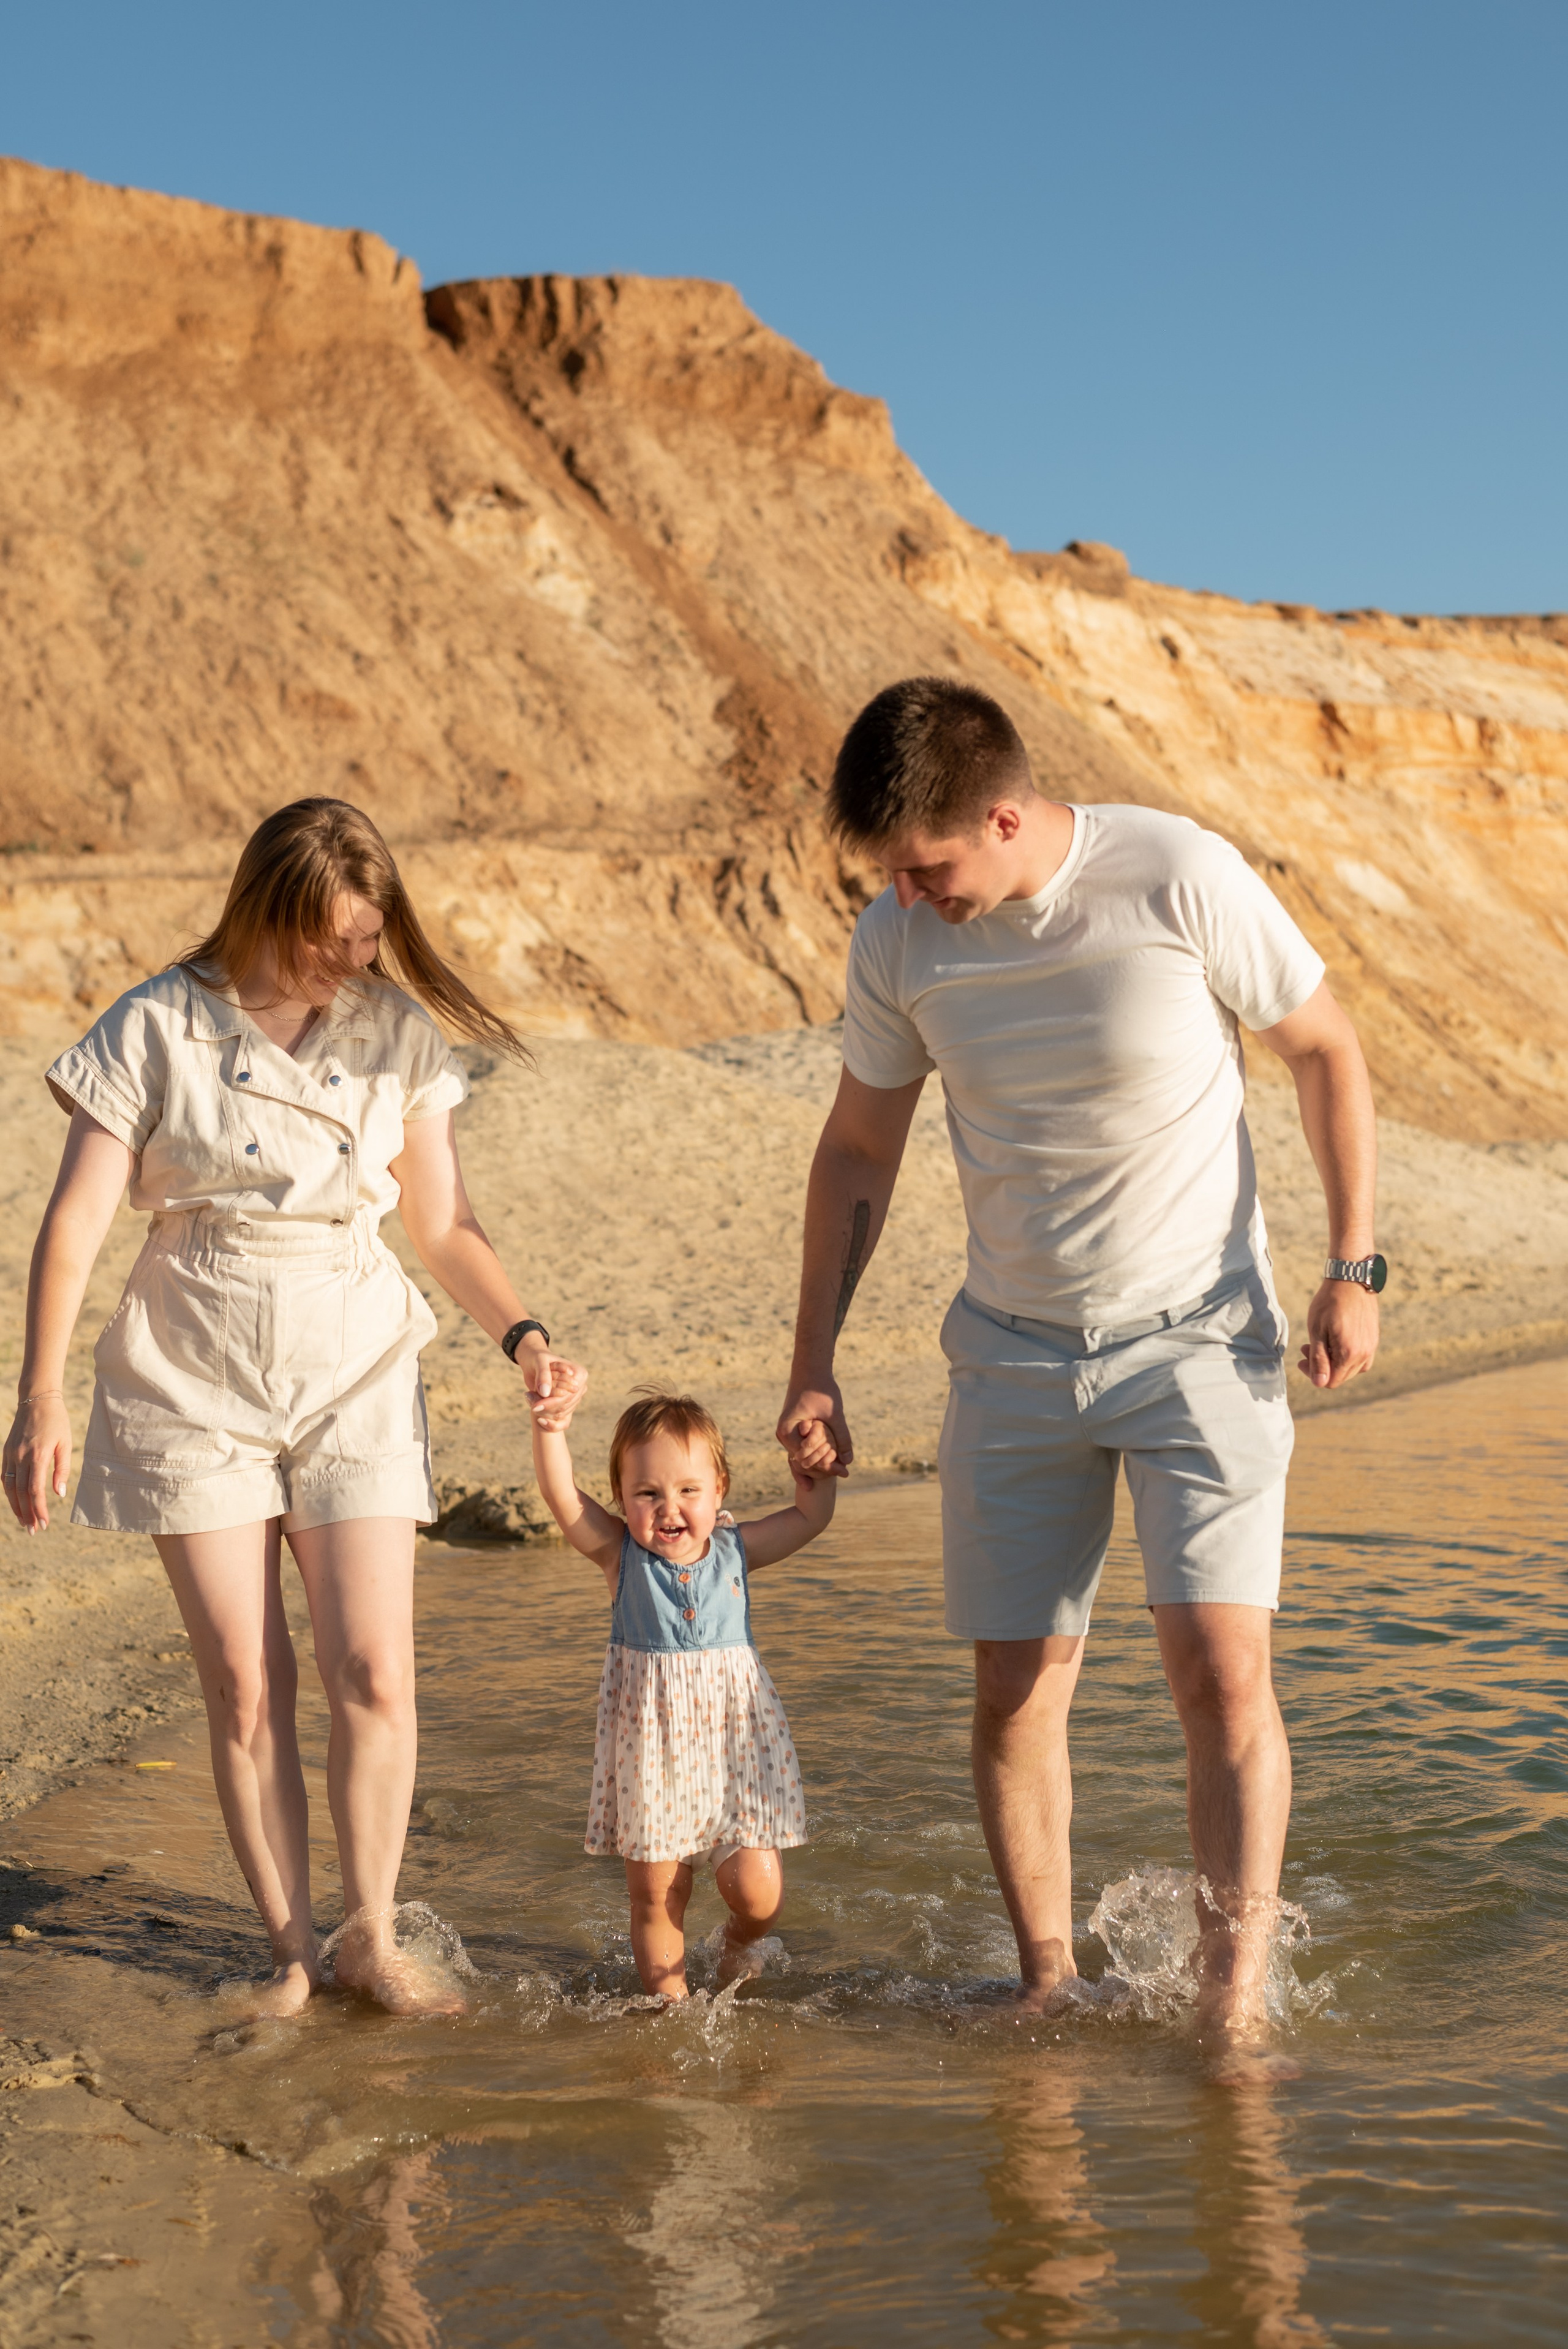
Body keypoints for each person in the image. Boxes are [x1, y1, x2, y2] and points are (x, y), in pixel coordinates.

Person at [777, 678, 1382, 2069]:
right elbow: (856, 1148)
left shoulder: (1173, 872)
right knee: (1011, 1687)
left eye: (927, 868)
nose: (909, 896)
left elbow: (1322, 1047)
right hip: (1007, 1347)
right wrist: (810, 1359)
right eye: (891, 876)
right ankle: (1045, 1977)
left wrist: (1352, 1267)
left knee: (1218, 1670)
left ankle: (1231, 2008)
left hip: (1199, 1335)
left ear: (1001, 816)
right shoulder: (898, 939)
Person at [2, 798, 585, 2018]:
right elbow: (75, 1225)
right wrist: (39, 1395)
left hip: (355, 1356)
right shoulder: (154, 1023)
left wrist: (524, 1334)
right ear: (269, 911)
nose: (357, 963)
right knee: (246, 1682)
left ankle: (369, 1932)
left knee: (372, 1668)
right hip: (188, 1367)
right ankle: (286, 1955)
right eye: (335, 939)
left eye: (372, 938)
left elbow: (441, 1224)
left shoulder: (394, 1034)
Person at [530, 1386, 831, 1997]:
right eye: (647, 1493)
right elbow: (562, 1498)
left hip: (734, 1754)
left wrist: (813, 1464)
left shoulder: (736, 1552)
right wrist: (551, 1430)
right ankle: (670, 2013)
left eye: (688, 1490)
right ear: (621, 1498)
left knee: (759, 1892)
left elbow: (810, 1516)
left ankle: (738, 1942)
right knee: (658, 1893)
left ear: (719, 1488)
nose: (669, 1507)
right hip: (654, 1759)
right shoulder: (620, 1557)